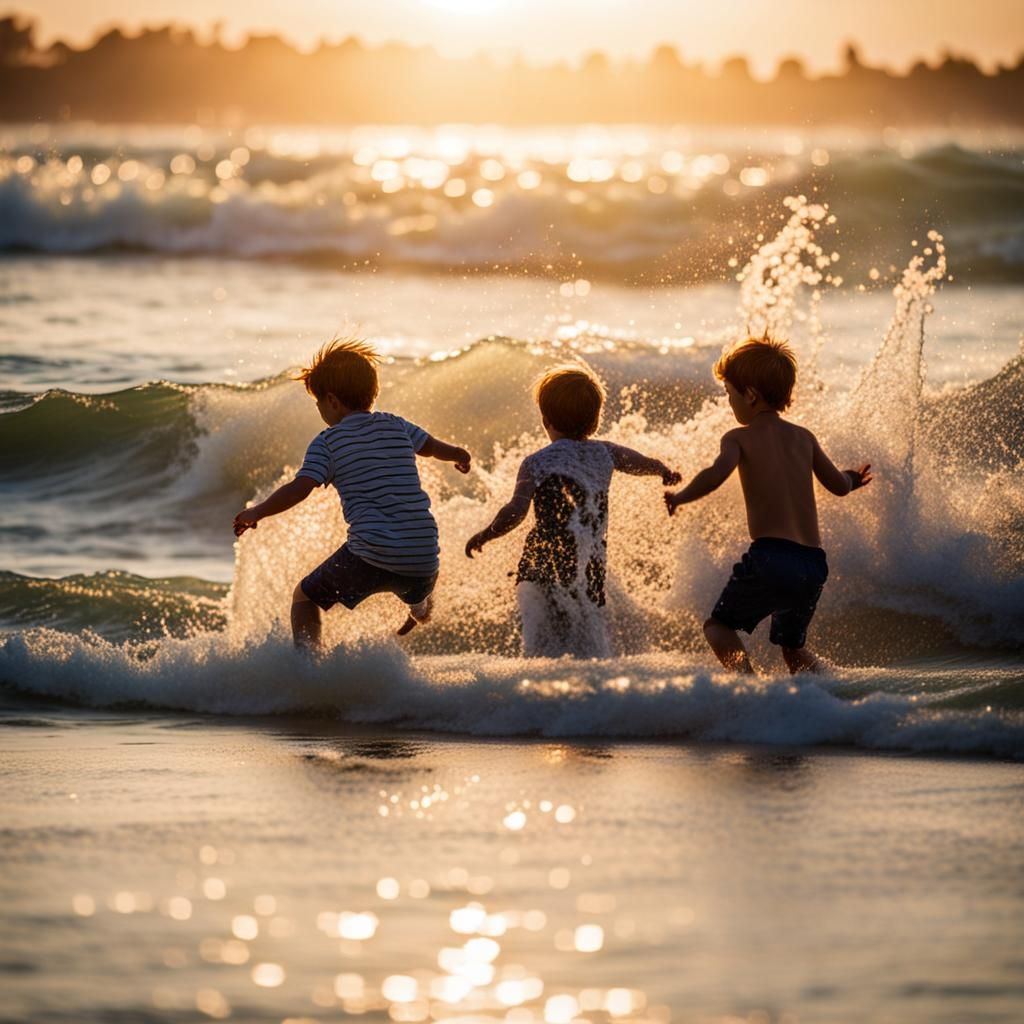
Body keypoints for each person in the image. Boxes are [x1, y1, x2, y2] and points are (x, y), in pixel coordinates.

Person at [233, 338, 471, 649]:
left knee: (304, 597)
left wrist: (256, 512)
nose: (319, 409)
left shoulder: (328, 442)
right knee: (418, 579)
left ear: (331, 400)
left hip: (371, 555)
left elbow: (299, 488)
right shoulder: (396, 426)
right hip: (423, 555)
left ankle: (309, 671)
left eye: (318, 402)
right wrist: (459, 455)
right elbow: (434, 448)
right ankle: (420, 605)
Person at [664, 334, 871, 674]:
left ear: (750, 395)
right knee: (793, 651)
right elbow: (838, 486)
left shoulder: (738, 438)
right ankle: (831, 697)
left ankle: (749, 690)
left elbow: (715, 475)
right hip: (812, 565)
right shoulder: (804, 437)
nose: (730, 403)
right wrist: (852, 477)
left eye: (730, 394)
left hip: (770, 558)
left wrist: (681, 496)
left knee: (718, 627)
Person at [465, 365, 681, 658]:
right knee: (583, 627)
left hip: (543, 559)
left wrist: (486, 534)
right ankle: (586, 679)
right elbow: (638, 462)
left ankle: (541, 674)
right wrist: (662, 470)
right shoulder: (606, 452)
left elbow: (516, 511)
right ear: (595, 420)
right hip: (589, 561)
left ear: (546, 420)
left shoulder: (536, 462)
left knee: (541, 630)